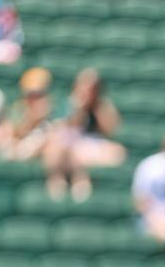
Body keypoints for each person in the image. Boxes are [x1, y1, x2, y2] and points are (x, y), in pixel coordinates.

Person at [44, 68, 126, 202]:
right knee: (60, 147)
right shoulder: (70, 103)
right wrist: (78, 107)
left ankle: (79, 179)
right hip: (70, 146)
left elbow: (111, 129)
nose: (87, 91)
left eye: (92, 88)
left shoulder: (102, 106)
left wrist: (97, 108)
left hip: (92, 145)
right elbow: (67, 128)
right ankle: (67, 179)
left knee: (117, 152)